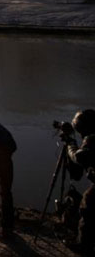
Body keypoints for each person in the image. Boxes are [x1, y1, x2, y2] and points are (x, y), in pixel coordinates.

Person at [63, 109, 95, 255]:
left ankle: (84, 245)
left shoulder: (92, 138)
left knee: (87, 205)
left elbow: (79, 157)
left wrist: (70, 144)